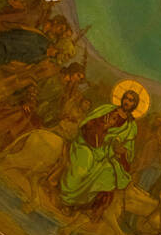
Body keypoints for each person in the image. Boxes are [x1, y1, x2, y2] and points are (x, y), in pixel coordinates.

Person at [60, 87, 141, 218]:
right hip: (88, 144)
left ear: (134, 105)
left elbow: (129, 147)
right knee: (83, 170)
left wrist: (122, 150)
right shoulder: (107, 109)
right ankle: (66, 201)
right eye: (126, 98)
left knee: (107, 174)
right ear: (122, 98)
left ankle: (85, 207)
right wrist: (105, 127)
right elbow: (88, 124)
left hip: (107, 153)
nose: (127, 102)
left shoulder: (131, 125)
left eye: (131, 101)